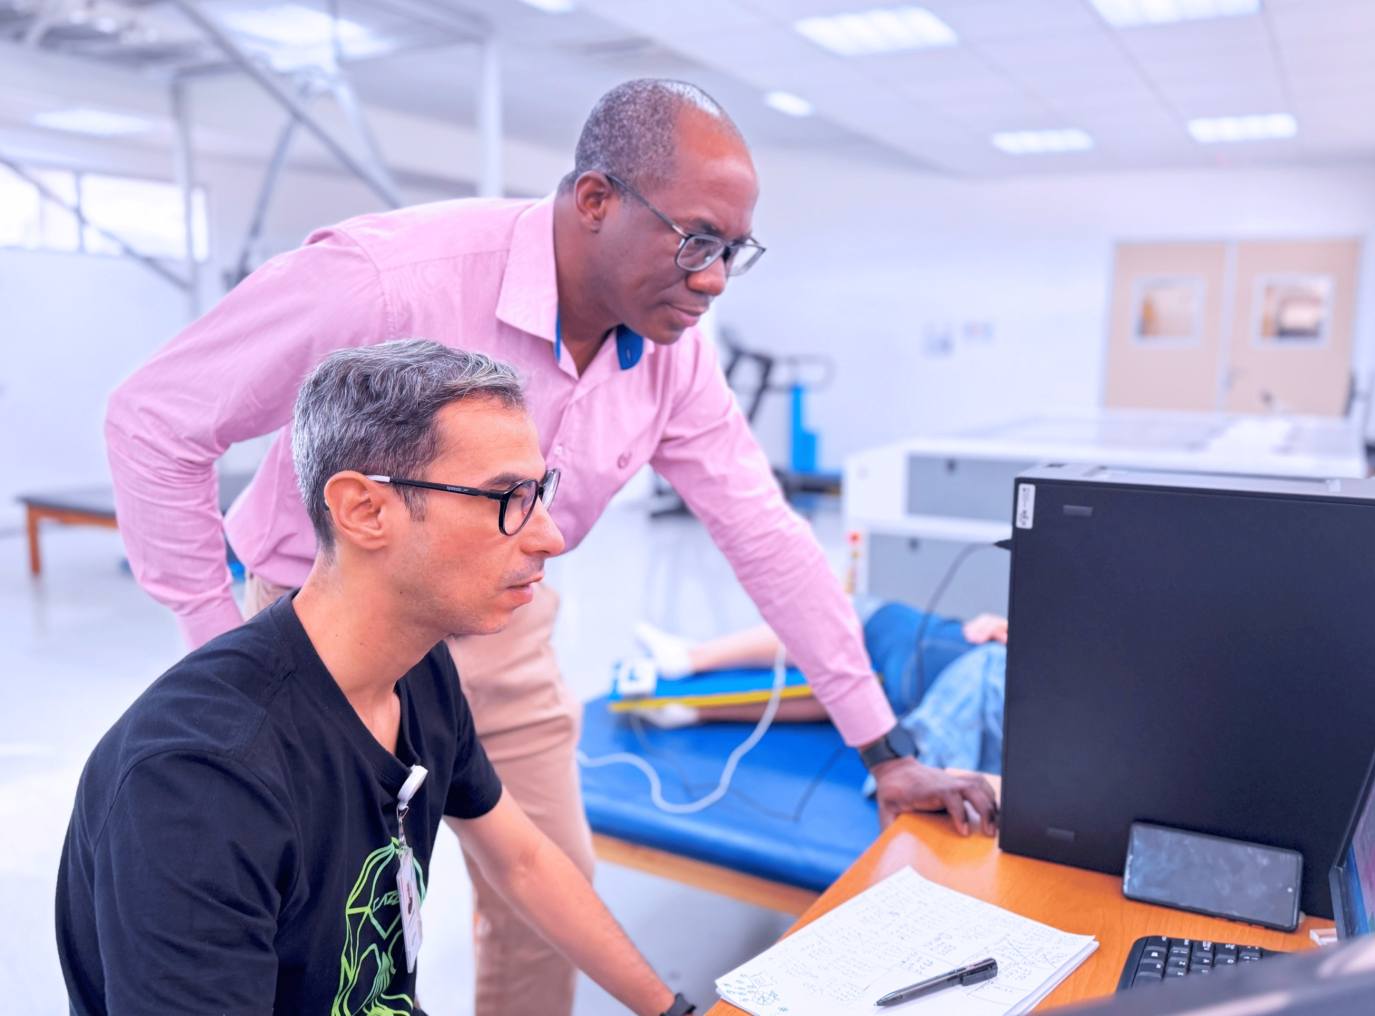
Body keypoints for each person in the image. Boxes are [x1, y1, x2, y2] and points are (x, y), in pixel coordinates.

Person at [104, 78, 997, 1013]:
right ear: (597, 200)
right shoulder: (386, 280)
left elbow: (765, 534)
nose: (714, 279)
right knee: (327, 934)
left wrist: (884, 750)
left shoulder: (672, 355)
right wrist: (228, 656)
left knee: (548, 888)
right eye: (696, 241)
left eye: (734, 252)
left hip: (502, 627)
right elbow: (156, 420)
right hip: (330, 632)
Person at [59, 342, 698, 1016]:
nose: (549, 537)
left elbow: (523, 862)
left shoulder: (419, 669)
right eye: (506, 498)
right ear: (364, 510)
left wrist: (673, 1011)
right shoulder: (198, 782)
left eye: (539, 493)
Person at [629, 602, 1008, 777]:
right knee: (862, 693)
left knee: (865, 618)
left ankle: (691, 657)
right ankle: (691, 711)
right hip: (985, 720)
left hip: (972, 675)